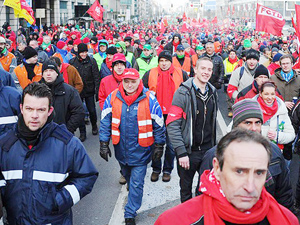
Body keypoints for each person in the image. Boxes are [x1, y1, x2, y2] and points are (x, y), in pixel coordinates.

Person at [0, 82, 98, 224]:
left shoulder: (68, 144)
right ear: (21, 109)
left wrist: (60, 200)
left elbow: (87, 176)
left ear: (50, 111)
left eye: (40, 110)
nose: (34, 115)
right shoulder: (5, 145)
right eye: (29, 109)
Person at [155, 129, 298, 225]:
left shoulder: (288, 220)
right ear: (217, 169)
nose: (250, 186)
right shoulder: (175, 221)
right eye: (239, 172)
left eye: (259, 173)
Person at [200, 99, 294, 211]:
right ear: (236, 126)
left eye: (257, 122)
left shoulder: (273, 152)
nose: (254, 128)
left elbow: (284, 194)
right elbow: (204, 198)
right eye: (247, 123)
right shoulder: (214, 155)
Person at [99, 68, 166, 225]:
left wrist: (159, 144)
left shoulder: (150, 99)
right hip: (121, 151)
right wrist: (103, 142)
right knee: (127, 175)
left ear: (139, 82)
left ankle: (130, 212)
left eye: (133, 81)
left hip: (141, 151)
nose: (129, 85)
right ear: (122, 82)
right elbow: (105, 121)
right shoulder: (112, 97)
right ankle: (130, 189)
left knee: (137, 183)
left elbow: (158, 123)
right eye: (126, 81)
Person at [166, 57, 218, 203]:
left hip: (208, 151)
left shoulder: (213, 92)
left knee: (205, 190)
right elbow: (172, 124)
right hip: (189, 153)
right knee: (186, 191)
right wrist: (181, 152)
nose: (206, 72)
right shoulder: (183, 92)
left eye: (209, 69)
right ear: (195, 69)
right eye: (203, 68)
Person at [143, 50, 189, 182]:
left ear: (171, 62)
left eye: (166, 61)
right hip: (155, 114)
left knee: (171, 144)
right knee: (156, 143)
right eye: (161, 61)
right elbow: (142, 91)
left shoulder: (181, 73)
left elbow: (188, 91)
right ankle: (156, 169)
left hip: (174, 114)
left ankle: (167, 170)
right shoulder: (150, 73)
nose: (163, 64)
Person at [40, 60, 85, 134]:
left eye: (51, 71)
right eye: (45, 71)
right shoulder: (36, 91)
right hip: (42, 136)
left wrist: (67, 129)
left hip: (63, 135)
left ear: (57, 73)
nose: (48, 74)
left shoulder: (69, 90)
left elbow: (78, 112)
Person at [254, 81, 295, 157]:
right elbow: (232, 130)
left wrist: (277, 136)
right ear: (260, 94)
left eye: (272, 94)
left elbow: (291, 135)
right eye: (266, 94)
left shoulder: (281, 110)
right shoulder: (250, 108)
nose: (270, 97)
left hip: (275, 155)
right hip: (254, 154)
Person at [69, 43, 100, 141]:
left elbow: (96, 76)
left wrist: (97, 91)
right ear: (78, 52)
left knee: (92, 110)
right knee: (80, 112)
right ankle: (82, 132)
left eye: (85, 52)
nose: (84, 54)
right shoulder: (72, 62)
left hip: (89, 90)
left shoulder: (91, 61)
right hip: (78, 91)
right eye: (82, 52)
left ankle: (94, 125)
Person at [223, 49, 239, 117]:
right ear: (229, 55)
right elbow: (222, 71)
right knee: (229, 97)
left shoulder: (239, 62)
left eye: (233, 54)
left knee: (236, 96)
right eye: (231, 54)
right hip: (227, 81)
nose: (232, 55)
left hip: (237, 82)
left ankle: (237, 110)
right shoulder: (225, 62)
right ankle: (230, 110)